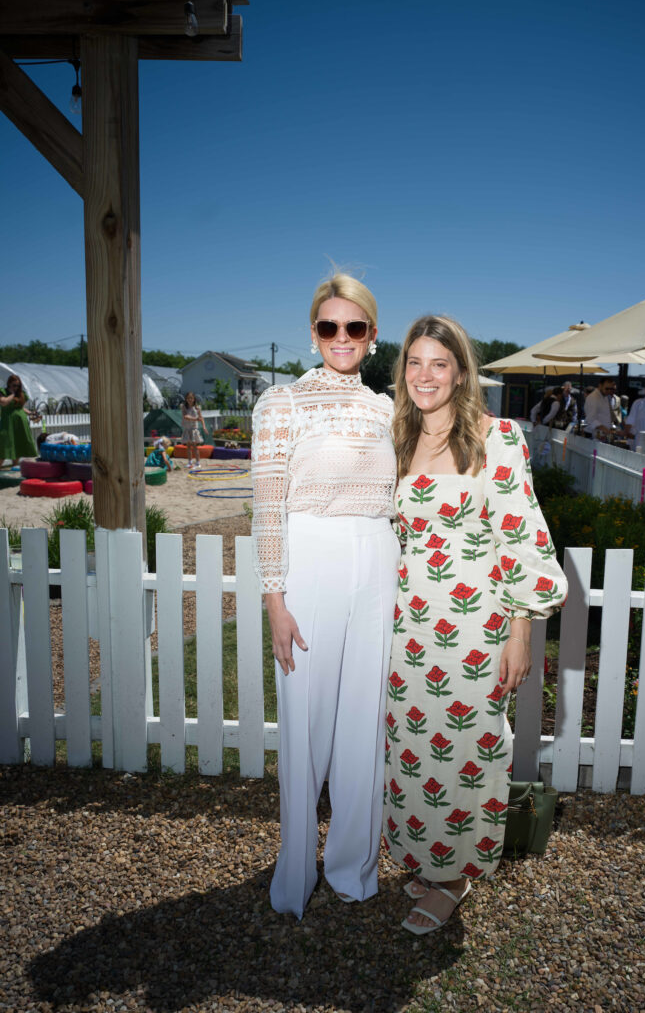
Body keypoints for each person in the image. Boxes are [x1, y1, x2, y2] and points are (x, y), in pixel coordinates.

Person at [384, 315, 567, 936]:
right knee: (413, 749)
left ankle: (456, 875)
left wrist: (521, 630)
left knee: (467, 749)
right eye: (415, 362)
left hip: (473, 628)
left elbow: (524, 539)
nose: (425, 375)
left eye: (439, 363)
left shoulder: (498, 438)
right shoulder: (400, 439)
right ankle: (427, 857)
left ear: (461, 372)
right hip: (408, 626)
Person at [251, 273, 399, 919]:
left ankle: (352, 869)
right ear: (313, 334)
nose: (342, 338)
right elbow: (266, 507)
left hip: (378, 561)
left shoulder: (389, 410)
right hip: (309, 558)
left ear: (371, 335)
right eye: (328, 327)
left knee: (364, 720)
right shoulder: (280, 404)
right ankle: (295, 874)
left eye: (354, 327)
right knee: (306, 723)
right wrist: (274, 601)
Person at [0, 374, 38, 468]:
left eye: (18, 385)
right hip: (8, 422)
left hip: (20, 422)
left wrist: (30, 413)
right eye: (14, 385)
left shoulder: (21, 394)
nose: (16, 387)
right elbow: (4, 403)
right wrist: (12, 394)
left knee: (17, 443)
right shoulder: (3, 391)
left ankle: (15, 466)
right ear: (9, 383)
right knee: (5, 444)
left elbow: (20, 408)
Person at [181, 391, 207, 469]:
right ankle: (190, 462)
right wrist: (195, 419)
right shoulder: (184, 407)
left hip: (194, 429)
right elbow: (185, 416)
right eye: (188, 398)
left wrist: (204, 427)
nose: (190, 399)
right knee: (188, 446)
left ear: (194, 399)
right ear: (186, 399)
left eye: (191, 398)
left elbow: (201, 418)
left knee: (195, 446)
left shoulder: (197, 408)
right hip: (187, 429)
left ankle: (198, 463)